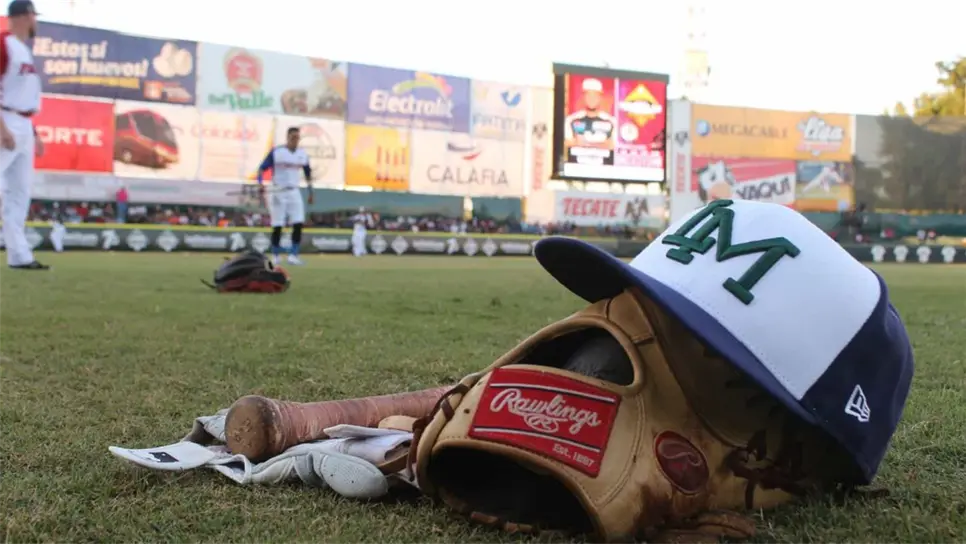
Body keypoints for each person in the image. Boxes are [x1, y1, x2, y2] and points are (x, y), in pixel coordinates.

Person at [0, 0, 45, 270]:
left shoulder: (23, 50)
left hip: (24, 123)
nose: (35, 21)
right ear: (25, 16)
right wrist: (2, 127)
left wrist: (34, 132)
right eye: (33, 16)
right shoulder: (4, 43)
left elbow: (24, 97)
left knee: (19, 192)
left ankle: (19, 255)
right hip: (6, 119)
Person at [256, 126, 312, 266]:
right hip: (278, 190)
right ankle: (275, 255)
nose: (295, 140)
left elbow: (308, 174)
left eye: (297, 138)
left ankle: (293, 255)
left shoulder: (302, 154)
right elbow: (262, 169)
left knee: (298, 222)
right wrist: (260, 183)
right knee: (278, 223)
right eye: (293, 137)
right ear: (287, 137)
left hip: (294, 190)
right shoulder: (277, 152)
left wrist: (311, 192)